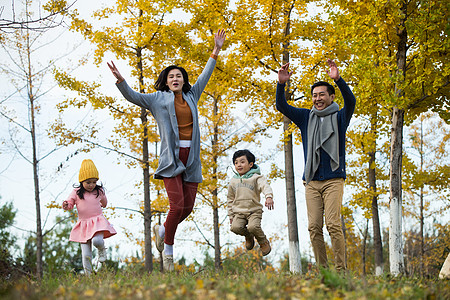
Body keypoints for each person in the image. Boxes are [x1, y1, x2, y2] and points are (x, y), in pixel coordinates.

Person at [107, 29, 226, 271]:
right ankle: (168, 251)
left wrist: (216, 50)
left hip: (191, 158)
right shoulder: (156, 98)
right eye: (171, 76)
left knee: (188, 207)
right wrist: (121, 80)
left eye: (179, 76)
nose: (175, 79)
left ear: (184, 80)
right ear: (166, 79)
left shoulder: (192, 95)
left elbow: (205, 75)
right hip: (171, 160)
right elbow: (132, 96)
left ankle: (162, 230)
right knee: (176, 206)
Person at [275, 59, 356, 271]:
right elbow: (281, 106)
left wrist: (338, 80)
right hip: (311, 180)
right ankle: (323, 271)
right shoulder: (305, 117)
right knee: (313, 227)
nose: (317, 98)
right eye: (314, 95)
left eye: (321, 94)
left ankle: (341, 271)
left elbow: (351, 101)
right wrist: (281, 84)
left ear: (331, 96)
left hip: (334, 179)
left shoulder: (340, 117)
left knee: (333, 224)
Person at [62, 159, 116, 275]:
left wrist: (103, 203)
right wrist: (67, 205)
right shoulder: (76, 192)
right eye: (88, 182)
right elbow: (70, 202)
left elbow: (104, 203)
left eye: (94, 182)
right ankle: (89, 276)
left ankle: (101, 249)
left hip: (97, 221)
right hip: (83, 224)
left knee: (97, 240)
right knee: (86, 254)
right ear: (82, 181)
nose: (91, 185)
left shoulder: (99, 191)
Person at [227, 149, 274, 256]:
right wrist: (231, 215)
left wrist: (269, 197)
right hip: (239, 212)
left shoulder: (256, 178)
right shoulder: (233, 181)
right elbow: (230, 199)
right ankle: (248, 236)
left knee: (253, 227)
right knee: (235, 228)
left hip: (254, 211)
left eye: (242, 162)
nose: (239, 165)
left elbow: (265, 186)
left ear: (251, 164)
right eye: (236, 162)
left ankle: (263, 241)